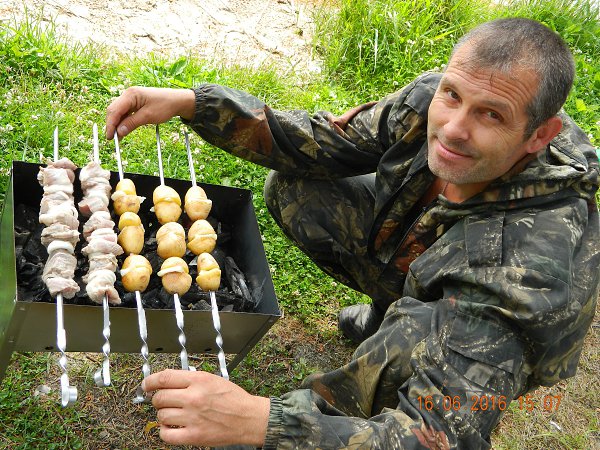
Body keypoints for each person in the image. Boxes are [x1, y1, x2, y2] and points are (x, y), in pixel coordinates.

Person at [105, 18, 599, 449]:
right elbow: (328, 143)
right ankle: (386, 309)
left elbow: (439, 437)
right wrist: (193, 104)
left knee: (403, 347)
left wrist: (263, 422)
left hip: (482, 322)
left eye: (491, 115)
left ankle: (379, 363)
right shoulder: (439, 98)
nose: (452, 128)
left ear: (539, 135)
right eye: (453, 95)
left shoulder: (523, 269)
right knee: (297, 189)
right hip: (431, 253)